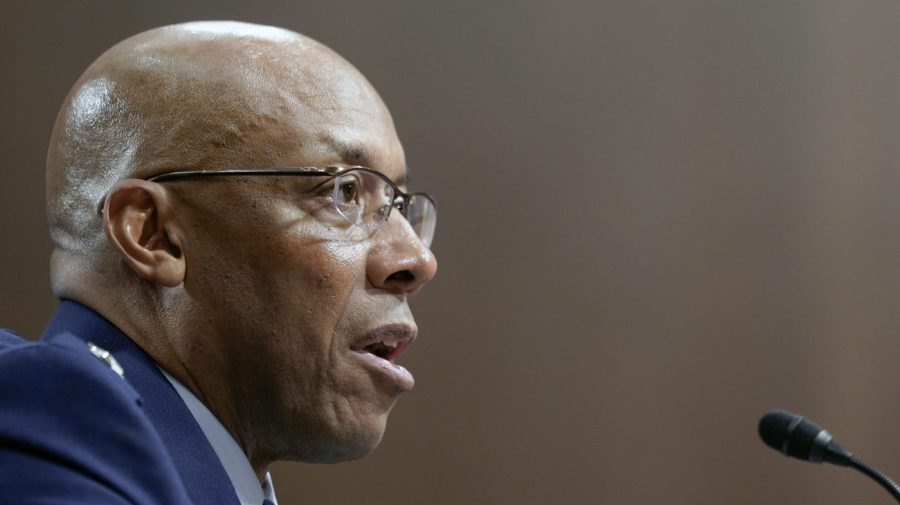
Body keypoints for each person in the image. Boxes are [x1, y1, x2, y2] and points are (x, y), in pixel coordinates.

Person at [0, 20, 437, 505]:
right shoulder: (49, 426)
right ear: (155, 235)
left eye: (398, 205)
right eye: (345, 191)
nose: (417, 259)